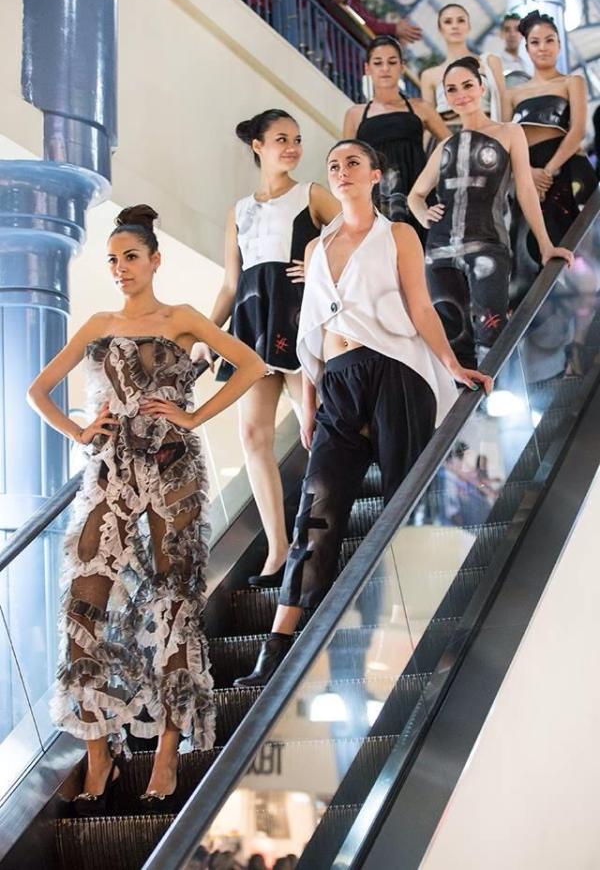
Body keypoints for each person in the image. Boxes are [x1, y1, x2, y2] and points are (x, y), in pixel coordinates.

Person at [26, 205, 266, 810]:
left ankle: (166, 750)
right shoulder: (99, 323)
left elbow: (252, 365)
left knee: (174, 597)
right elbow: (37, 390)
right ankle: (99, 754)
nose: (120, 268)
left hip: (171, 468)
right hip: (109, 470)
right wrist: (81, 431)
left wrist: (193, 415)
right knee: (83, 599)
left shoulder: (181, 318)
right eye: (112, 260)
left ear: (155, 260)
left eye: (130, 257)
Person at [233, 138, 492, 688]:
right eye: (334, 165)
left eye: (353, 162)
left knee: (403, 501)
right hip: (337, 379)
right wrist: (308, 405)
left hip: (396, 372)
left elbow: (419, 305)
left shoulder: (397, 234)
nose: (342, 171)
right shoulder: (315, 247)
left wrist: (453, 364)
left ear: (375, 175)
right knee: (315, 512)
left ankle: (411, 633)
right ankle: (276, 651)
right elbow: (311, 329)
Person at [194, 110, 339, 588]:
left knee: (316, 428)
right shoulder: (239, 210)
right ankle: (278, 548)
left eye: (297, 139)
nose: (292, 147)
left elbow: (357, 235)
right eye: (281, 139)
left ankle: (320, 537)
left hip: (295, 316)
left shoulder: (311, 194)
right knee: (253, 434)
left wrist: (316, 264)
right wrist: (207, 336)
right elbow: (230, 284)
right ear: (258, 146)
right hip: (251, 322)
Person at [408, 57, 573, 369]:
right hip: (439, 252)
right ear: (446, 97)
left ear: (482, 87)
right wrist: (423, 214)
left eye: (467, 85)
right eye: (452, 89)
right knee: (453, 339)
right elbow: (415, 195)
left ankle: (497, 395)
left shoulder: (510, 133)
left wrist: (546, 245)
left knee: (492, 333)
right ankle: (464, 400)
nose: (461, 94)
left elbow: (526, 190)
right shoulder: (445, 145)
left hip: (487, 245)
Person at [504, 10, 597, 299]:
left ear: (559, 44)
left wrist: (547, 171)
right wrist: (527, 174)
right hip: (527, 177)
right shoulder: (513, 94)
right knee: (530, 251)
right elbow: (505, 142)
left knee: (580, 248)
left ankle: (588, 316)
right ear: (526, 47)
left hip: (567, 171)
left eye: (549, 40)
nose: (542, 47)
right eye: (535, 42)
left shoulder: (572, 82)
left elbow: (577, 130)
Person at [342, 35, 450, 242]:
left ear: (402, 67)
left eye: (392, 62)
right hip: (375, 196)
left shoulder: (420, 108)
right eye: (378, 63)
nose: (385, 68)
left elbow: (451, 144)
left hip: (417, 192)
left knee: (421, 247)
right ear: (367, 68)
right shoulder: (355, 114)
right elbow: (345, 164)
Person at [420, 3, 505, 130]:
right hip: (447, 134)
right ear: (440, 29)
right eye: (448, 22)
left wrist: (505, 134)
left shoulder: (489, 62)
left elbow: (503, 102)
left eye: (461, 20)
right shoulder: (429, 75)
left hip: (487, 131)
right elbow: (429, 122)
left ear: (468, 26)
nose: (455, 26)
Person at [498, 12, 531, 79]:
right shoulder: (496, 65)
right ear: (501, 34)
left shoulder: (529, 63)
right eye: (507, 30)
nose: (512, 34)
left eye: (517, 29)